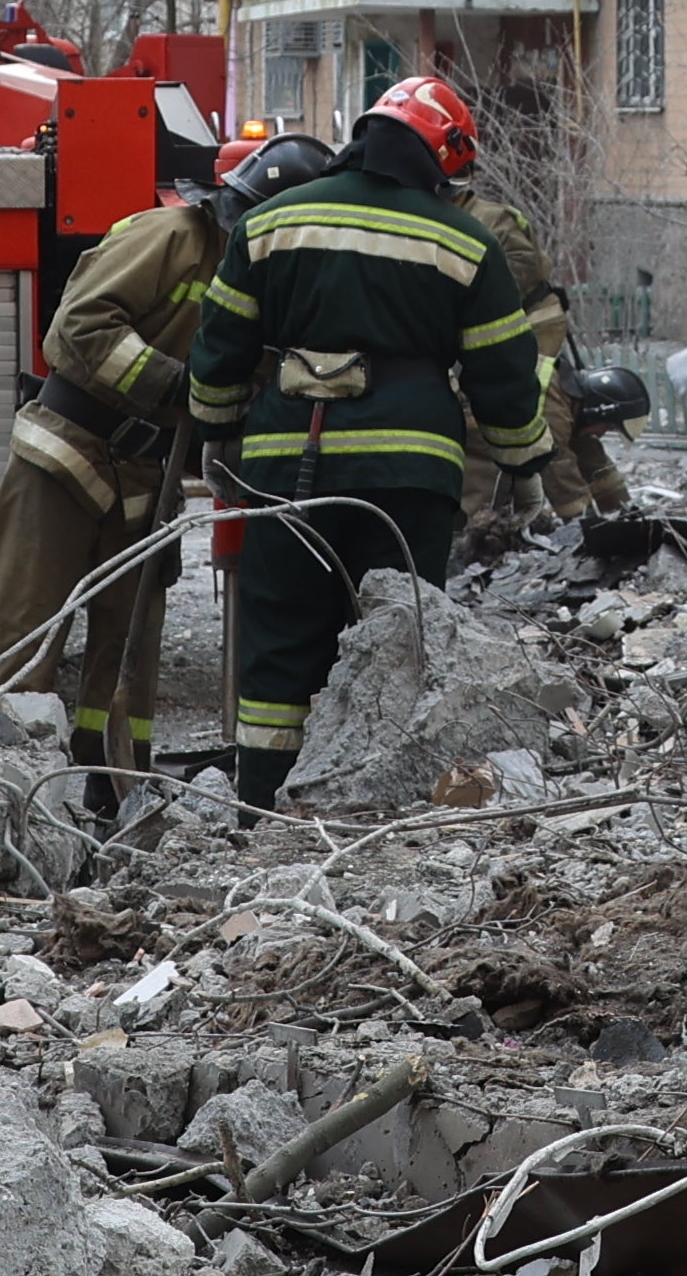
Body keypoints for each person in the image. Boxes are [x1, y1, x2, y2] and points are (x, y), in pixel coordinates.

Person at [184, 77, 542, 810]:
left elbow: (218, 346)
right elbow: (501, 371)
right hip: (411, 481)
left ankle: (263, 811)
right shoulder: (464, 239)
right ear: (442, 154)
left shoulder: (271, 223)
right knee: (398, 646)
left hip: (284, 472)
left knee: (280, 644)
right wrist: (525, 463)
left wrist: (217, 435)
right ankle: (380, 809)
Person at [0, 125, 277, 812]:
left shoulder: (269, 276)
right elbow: (79, 328)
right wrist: (176, 384)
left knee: (129, 653)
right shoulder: (169, 237)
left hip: (149, 478)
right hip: (69, 455)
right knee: (21, 629)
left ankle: (113, 791)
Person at [454, 175, 615, 559]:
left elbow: (555, 446)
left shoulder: (492, 222)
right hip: (500, 336)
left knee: (483, 423)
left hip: (519, 331)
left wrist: (587, 524)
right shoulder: (445, 216)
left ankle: (468, 540)